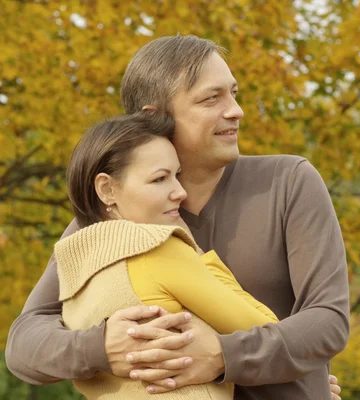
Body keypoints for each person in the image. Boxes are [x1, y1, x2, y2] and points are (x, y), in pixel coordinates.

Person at [6, 35, 349, 400]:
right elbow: (23, 345)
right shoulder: (112, 217)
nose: (235, 110)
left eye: (233, 93)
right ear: (155, 117)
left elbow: (328, 321)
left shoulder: (288, 182)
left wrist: (221, 357)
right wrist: (102, 347)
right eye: (210, 98)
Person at [56, 111, 282, 398]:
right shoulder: (156, 249)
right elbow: (269, 334)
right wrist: (198, 253)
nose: (180, 192)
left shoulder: (73, 267)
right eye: (159, 179)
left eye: (177, 176)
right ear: (107, 189)